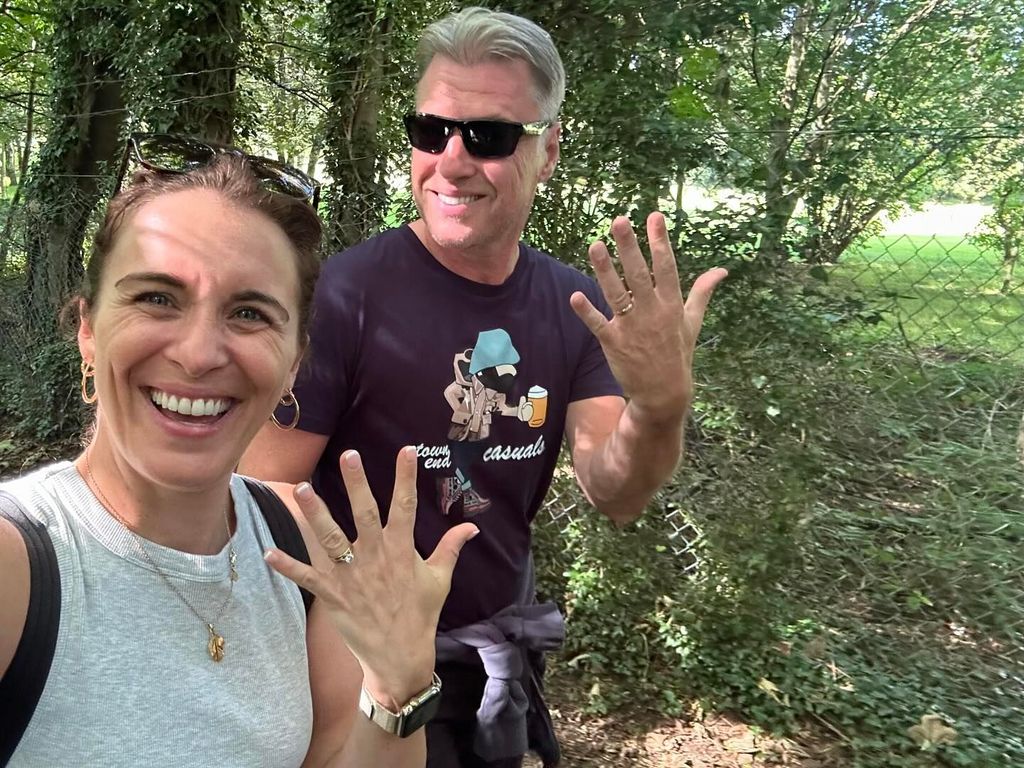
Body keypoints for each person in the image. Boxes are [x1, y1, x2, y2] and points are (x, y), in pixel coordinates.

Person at [240, 7, 727, 767]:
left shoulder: (576, 311)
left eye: (490, 137)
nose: (452, 161)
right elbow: (259, 497)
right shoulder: (342, 297)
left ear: (549, 149)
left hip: (495, 656)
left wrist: (660, 407)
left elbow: (616, 490)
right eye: (431, 131)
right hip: (352, 667)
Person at [0, 149, 479, 767]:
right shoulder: (19, 564)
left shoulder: (298, 542)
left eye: (249, 313)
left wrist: (399, 683)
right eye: (156, 298)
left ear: (293, 363)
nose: (199, 354)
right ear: (88, 330)